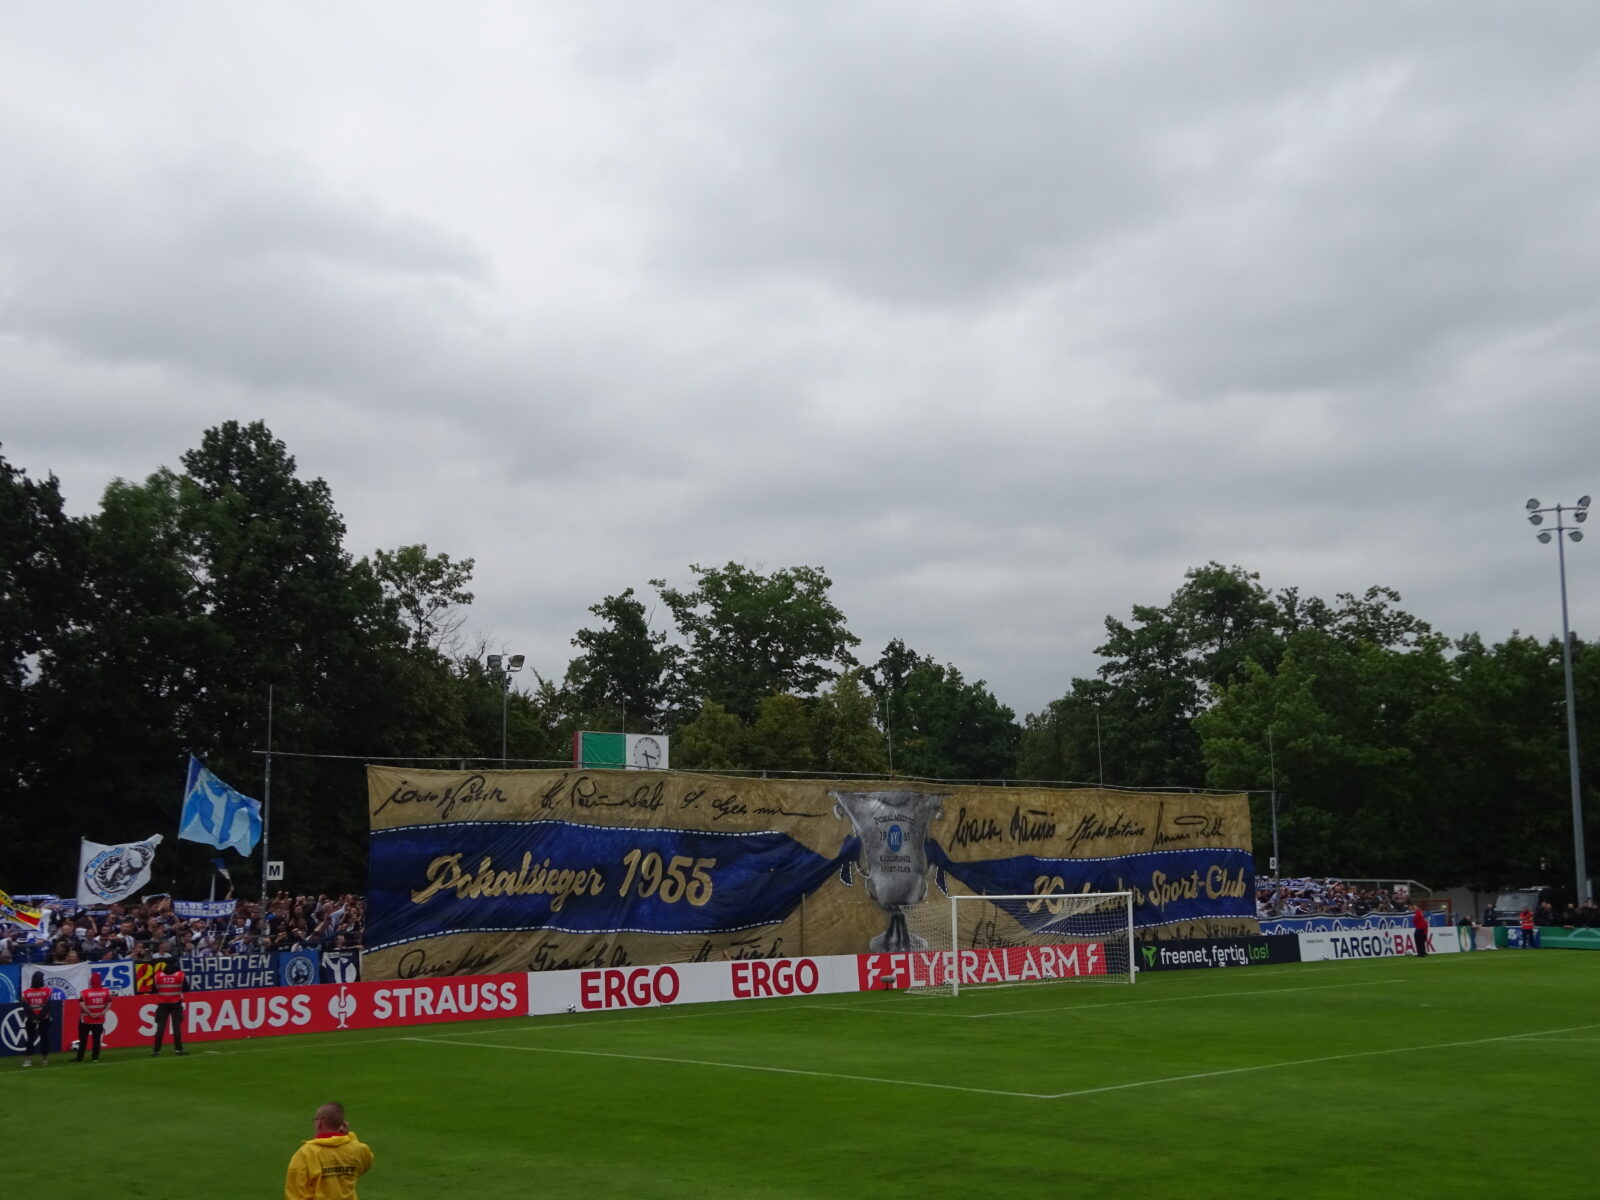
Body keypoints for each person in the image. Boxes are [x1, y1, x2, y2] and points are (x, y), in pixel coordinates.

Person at [284, 1102, 374, 1200]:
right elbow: (366, 1162)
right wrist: (349, 1137)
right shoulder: (356, 1149)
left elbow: (297, 1195)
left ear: (320, 1122)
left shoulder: (305, 1154)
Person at [151, 959, 187, 1055]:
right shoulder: (180, 975)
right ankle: (178, 1049)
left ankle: (156, 1050)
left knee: (160, 1028)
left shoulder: (158, 976)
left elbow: (153, 989)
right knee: (176, 1028)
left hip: (162, 1004)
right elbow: (186, 988)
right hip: (176, 1003)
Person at [75, 970, 112, 1062]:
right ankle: (95, 1057)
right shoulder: (106, 992)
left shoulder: (85, 993)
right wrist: (103, 1012)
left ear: (91, 981)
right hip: (99, 1019)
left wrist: (89, 1013)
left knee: (83, 1039)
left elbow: (82, 1004)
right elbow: (109, 1003)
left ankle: (80, 1057)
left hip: (85, 1019)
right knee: (96, 1039)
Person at [21, 970, 52, 1067]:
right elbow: (46, 1007)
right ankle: (44, 1060)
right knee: (44, 1038)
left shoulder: (25, 993)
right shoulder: (47, 991)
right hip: (44, 1018)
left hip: (31, 1019)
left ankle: (28, 1061)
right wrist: (39, 1017)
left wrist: (34, 1018)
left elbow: (27, 1008)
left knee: (30, 1039)